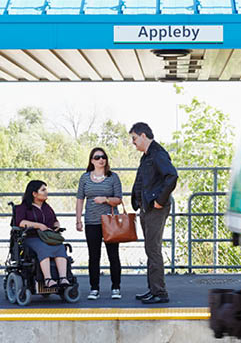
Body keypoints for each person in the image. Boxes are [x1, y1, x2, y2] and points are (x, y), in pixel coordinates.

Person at [129, 122, 178, 304]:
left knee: (153, 249)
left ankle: (160, 293)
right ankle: (153, 289)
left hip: (156, 209)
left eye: (134, 138)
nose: (133, 143)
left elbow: (172, 176)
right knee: (150, 249)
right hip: (146, 208)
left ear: (143, 136)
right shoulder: (147, 156)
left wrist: (160, 200)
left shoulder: (158, 154)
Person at [75, 147, 124, 300]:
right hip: (91, 221)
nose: (101, 159)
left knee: (113, 255)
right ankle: (94, 288)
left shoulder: (113, 177)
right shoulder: (84, 178)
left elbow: (119, 199)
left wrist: (106, 199)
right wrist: (78, 219)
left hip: (110, 221)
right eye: (97, 157)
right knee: (93, 256)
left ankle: (116, 287)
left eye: (103, 157)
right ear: (91, 161)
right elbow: (79, 199)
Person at [12, 180, 70, 288]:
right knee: (44, 247)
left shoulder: (46, 207)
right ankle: (48, 279)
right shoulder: (23, 207)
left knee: (60, 246)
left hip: (47, 236)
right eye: (43, 190)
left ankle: (63, 278)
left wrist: (56, 225)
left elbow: (54, 220)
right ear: (34, 193)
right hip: (31, 237)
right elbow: (20, 222)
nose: (46, 192)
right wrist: (38, 225)